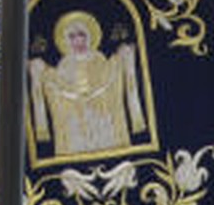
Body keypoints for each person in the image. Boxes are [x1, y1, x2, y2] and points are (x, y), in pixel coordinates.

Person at [29, 9, 147, 157]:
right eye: (72, 37)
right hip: (75, 133)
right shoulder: (63, 68)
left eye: (81, 35)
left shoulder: (100, 61)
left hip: (104, 127)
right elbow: (56, 90)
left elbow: (111, 79)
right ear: (65, 40)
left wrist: (124, 58)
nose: (78, 41)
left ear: (90, 37)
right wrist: (41, 73)